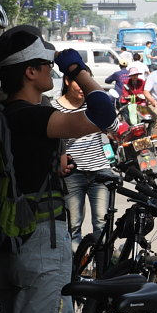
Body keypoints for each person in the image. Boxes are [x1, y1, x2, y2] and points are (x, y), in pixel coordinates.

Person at [0, 25, 117, 313]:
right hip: (40, 245)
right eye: (46, 65)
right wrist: (78, 69)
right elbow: (103, 113)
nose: (52, 72)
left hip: (11, 243)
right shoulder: (34, 115)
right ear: (29, 72)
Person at [51, 70, 118, 251]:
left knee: (102, 225)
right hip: (72, 174)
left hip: (100, 170)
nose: (82, 88)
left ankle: (103, 273)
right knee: (73, 226)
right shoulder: (53, 108)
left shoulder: (94, 106)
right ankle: (75, 272)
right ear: (67, 81)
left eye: (86, 83)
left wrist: (103, 112)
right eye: (78, 83)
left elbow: (114, 127)